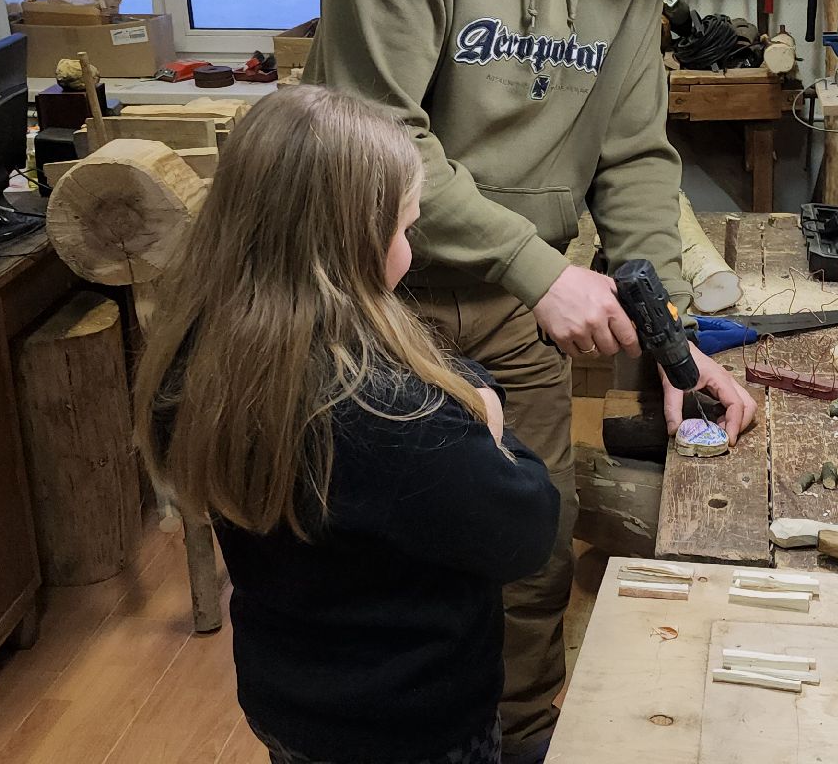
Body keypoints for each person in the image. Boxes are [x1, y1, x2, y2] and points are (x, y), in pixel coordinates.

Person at [305, 0, 757, 762]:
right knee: (384, 576)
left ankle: (518, 745)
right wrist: (538, 266)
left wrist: (670, 343)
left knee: (530, 553)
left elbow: (636, 158)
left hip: (517, 311)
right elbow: (378, 139)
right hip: (378, 304)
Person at [134, 85, 561, 764]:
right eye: (404, 227)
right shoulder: (390, 415)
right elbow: (528, 532)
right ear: (351, 237)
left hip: (292, 704)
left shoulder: (198, 355)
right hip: (412, 727)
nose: (411, 252)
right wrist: (489, 415)